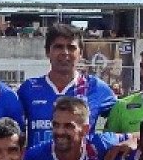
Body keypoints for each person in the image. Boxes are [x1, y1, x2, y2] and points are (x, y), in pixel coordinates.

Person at [19, 20, 118, 150]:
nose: (65, 52)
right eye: (58, 47)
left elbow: (110, 129)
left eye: (71, 47)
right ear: (48, 52)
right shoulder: (28, 89)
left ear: (80, 53)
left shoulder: (99, 90)